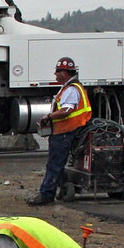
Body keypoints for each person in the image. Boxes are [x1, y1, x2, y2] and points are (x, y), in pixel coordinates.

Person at [28, 57, 92, 206]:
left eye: (58, 71)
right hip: (65, 130)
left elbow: (66, 111)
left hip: (65, 131)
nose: (55, 74)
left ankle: (46, 195)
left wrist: (49, 116)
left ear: (65, 73)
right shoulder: (70, 88)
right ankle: (56, 190)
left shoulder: (71, 90)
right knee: (56, 163)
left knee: (55, 164)